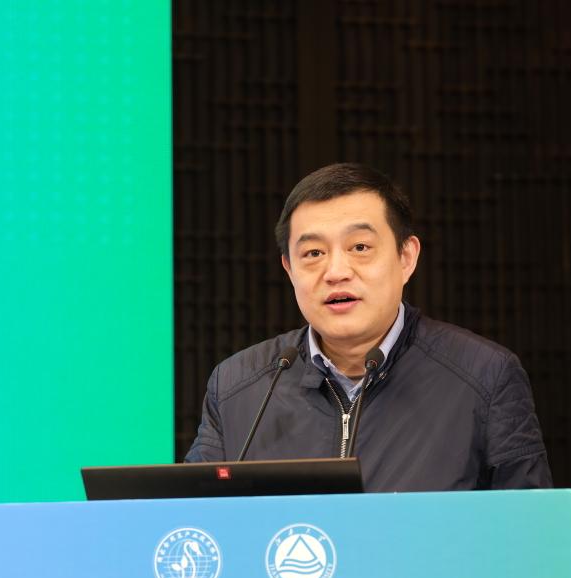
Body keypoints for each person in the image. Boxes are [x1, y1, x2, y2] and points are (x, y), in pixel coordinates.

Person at [185, 162, 552, 492]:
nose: (336, 272)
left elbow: (531, 531)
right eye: (313, 253)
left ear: (406, 258)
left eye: (360, 247)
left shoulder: (485, 377)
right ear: (289, 269)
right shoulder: (237, 387)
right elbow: (190, 523)